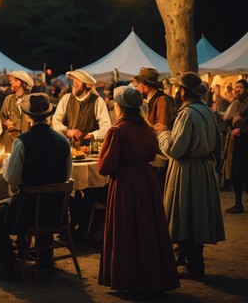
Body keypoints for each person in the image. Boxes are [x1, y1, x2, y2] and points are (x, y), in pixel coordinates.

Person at [97, 86, 179, 293]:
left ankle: (128, 279)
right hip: (146, 179)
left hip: (125, 182)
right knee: (146, 227)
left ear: (119, 107)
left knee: (126, 228)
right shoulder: (147, 127)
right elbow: (152, 155)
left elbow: (105, 167)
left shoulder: (117, 130)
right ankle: (150, 276)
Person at [0, 93, 72, 281]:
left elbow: (13, 179)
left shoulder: (22, 141)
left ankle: (8, 264)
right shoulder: (63, 141)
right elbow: (66, 176)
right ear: (48, 114)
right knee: (41, 205)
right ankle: (45, 261)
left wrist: (6, 163)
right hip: (57, 209)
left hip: (29, 210)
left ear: (28, 116)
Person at [156, 72, 225, 278]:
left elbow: (176, 149)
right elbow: (218, 145)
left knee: (186, 215)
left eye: (178, 88)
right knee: (197, 216)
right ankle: (190, 259)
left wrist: (163, 133)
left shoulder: (187, 114)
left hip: (187, 170)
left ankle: (193, 264)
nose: (176, 92)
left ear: (183, 91)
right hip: (203, 169)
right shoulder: (206, 111)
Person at [52, 69, 112, 145]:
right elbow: (56, 121)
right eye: (74, 80)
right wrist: (67, 132)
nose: (74, 83)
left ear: (87, 84)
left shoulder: (97, 101)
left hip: (90, 151)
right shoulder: (66, 98)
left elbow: (106, 128)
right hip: (69, 148)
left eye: (78, 80)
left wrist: (91, 135)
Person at [221, 78, 248, 213]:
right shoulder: (234, 104)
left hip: (246, 144)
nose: (237, 89)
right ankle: (238, 204)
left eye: (240, 87)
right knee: (236, 174)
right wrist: (232, 130)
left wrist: (241, 126)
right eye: (236, 87)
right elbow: (225, 122)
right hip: (236, 144)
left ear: (246, 90)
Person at [0, 71, 35, 152]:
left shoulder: (31, 100)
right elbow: (0, 119)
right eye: (11, 81)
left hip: (27, 141)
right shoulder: (8, 99)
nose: (12, 83)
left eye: (15, 81)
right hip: (10, 143)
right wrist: (5, 122)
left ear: (23, 83)